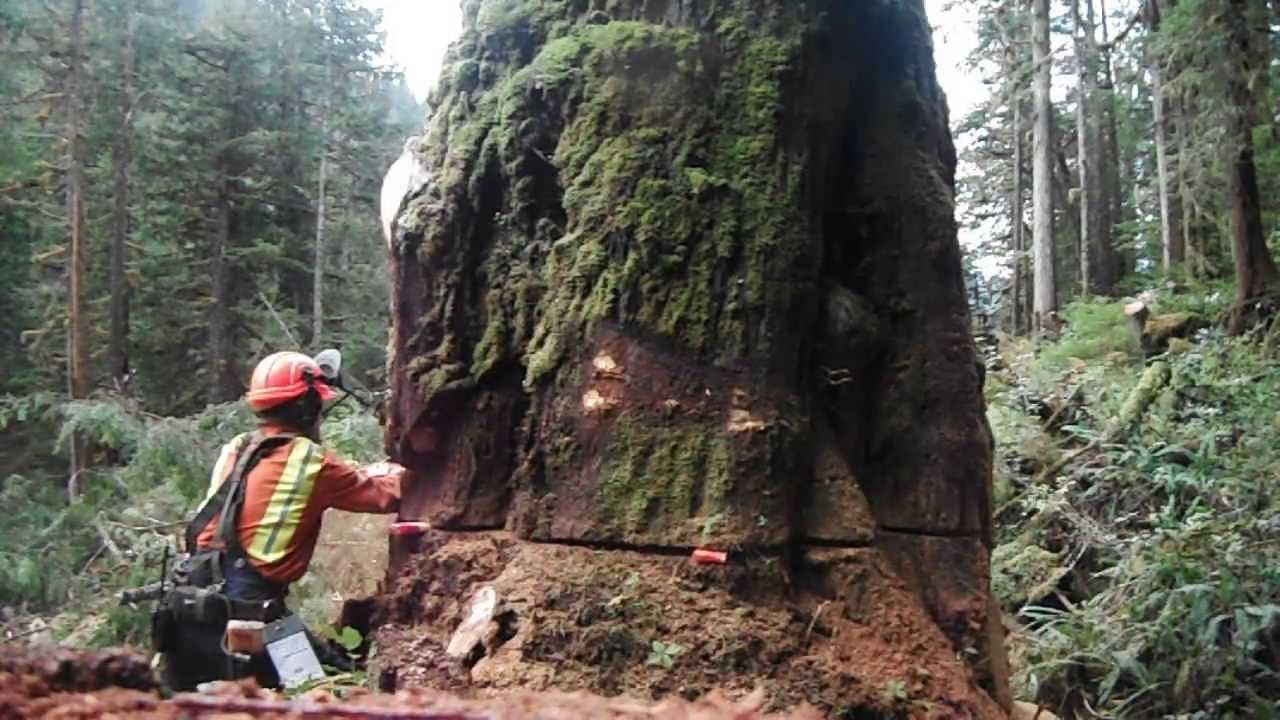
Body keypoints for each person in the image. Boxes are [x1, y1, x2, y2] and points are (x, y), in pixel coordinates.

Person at [161, 351, 404, 691]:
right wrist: (413, 470)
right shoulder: (309, 461)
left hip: (192, 601)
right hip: (252, 612)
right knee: (331, 691)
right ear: (307, 407)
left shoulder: (239, 448)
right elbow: (385, 495)